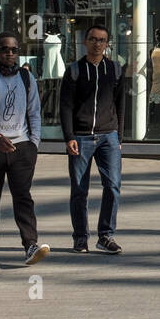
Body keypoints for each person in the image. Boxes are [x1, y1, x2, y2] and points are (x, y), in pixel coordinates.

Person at [0, 32, 49, 265]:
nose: (10, 54)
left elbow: (34, 111)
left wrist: (34, 144)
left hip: (21, 147)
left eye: (14, 49)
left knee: (23, 197)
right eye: (5, 49)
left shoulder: (26, 77)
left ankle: (30, 245)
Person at [59, 24, 126, 254]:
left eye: (102, 40)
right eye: (93, 39)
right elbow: (65, 105)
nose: (97, 43)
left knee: (113, 186)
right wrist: (69, 137)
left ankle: (105, 235)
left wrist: (119, 136)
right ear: (85, 42)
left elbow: (121, 104)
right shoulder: (75, 70)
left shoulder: (115, 69)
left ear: (107, 44)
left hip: (109, 136)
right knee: (79, 190)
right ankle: (80, 238)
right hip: (81, 136)